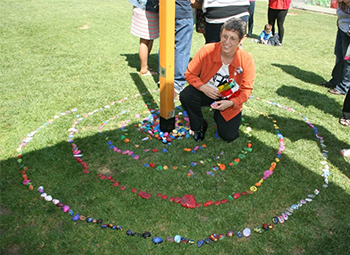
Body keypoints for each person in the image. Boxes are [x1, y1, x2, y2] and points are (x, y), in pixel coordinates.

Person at [180, 18, 255, 142]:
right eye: (224, 36)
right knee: (186, 95)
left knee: (228, 136)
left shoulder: (246, 60)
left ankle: (219, 113)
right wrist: (203, 87)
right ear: (220, 34)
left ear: (241, 40)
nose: (227, 42)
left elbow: (246, 91)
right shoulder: (207, 50)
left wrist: (231, 103)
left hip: (229, 97)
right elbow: (189, 74)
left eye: (233, 38)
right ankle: (199, 126)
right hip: (207, 90)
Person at [322, 1, 350, 95]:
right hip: (342, 29)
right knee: (339, 55)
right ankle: (336, 80)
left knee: (347, 60)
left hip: (348, 33)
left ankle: (344, 87)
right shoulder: (342, 3)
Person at [130, 0, 159, 76]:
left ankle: (145, 66)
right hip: (147, 9)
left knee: (149, 38)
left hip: (143, 7)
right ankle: (144, 69)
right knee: (145, 39)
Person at [173, 0, 194, 94]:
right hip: (182, 12)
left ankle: (163, 77)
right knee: (182, 48)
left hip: (166, 12)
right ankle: (178, 82)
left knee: (166, 45)